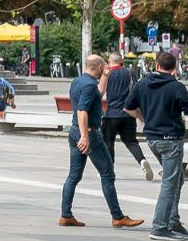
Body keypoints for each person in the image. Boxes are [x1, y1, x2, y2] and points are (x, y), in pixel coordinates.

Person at [133, 49, 188, 241]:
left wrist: (145, 120)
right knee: (169, 182)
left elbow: (128, 107)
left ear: (157, 66)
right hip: (170, 141)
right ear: (174, 69)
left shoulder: (142, 84)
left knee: (177, 178)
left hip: (152, 139)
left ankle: (172, 220)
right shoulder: (177, 87)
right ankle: (159, 227)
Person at [60, 54, 141, 228]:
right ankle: (118, 216)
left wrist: (105, 76)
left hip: (74, 131)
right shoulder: (89, 86)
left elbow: (99, 94)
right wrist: (85, 136)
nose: (105, 69)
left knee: (74, 175)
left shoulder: (78, 81)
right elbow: (82, 111)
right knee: (107, 173)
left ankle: (66, 215)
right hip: (89, 134)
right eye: (103, 67)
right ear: (96, 67)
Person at [103, 51, 154, 181]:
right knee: (131, 142)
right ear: (122, 62)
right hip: (128, 113)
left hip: (111, 114)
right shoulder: (129, 73)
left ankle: (109, 170)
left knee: (108, 142)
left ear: (109, 62)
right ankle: (142, 160)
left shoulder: (107, 74)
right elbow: (136, 91)